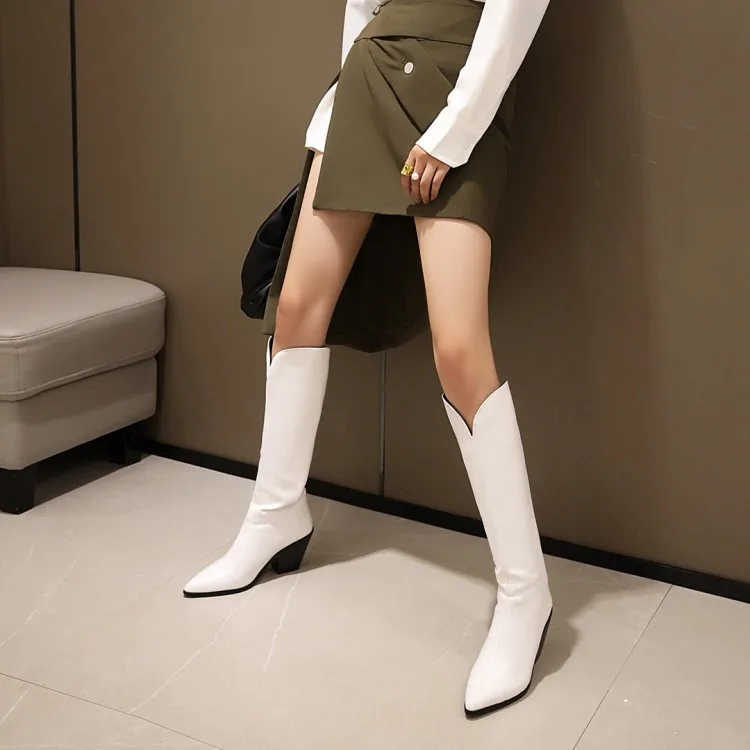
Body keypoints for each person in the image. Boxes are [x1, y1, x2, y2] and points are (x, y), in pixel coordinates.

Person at [185, 0, 552, 718]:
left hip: (459, 84)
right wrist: (341, 103)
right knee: (296, 308)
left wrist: (457, 126)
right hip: (366, 84)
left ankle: (524, 591)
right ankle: (275, 514)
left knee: (459, 347)